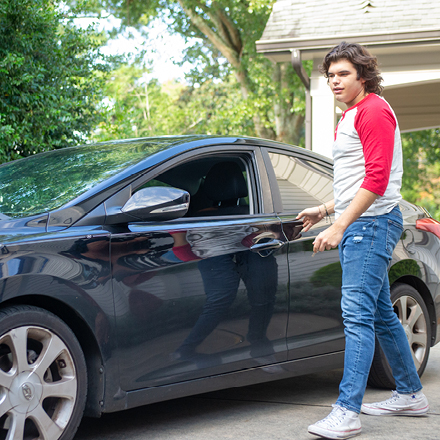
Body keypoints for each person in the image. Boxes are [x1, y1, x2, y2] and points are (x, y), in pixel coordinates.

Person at [296, 42, 429, 440]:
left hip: (370, 226)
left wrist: (339, 227)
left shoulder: (373, 111)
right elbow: (355, 180)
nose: (334, 81)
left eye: (343, 74)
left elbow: (376, 179)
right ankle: (410, 393)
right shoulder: (353, 115)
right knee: (379, 314)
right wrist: (325, 210)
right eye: (330, 75)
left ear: (363, 77)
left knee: (355, 316)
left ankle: (347, 411)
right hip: (364, 221)